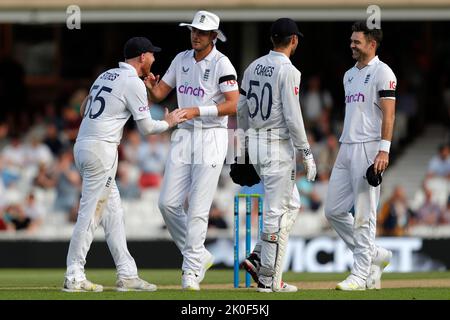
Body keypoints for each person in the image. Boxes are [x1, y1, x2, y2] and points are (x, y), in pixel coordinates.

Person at [63, 37, 186, 292]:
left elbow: (85, 107)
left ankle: (127, 274)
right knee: (91, 212)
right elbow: (148, 128)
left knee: (113, 213)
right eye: (152, 55)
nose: (154, 59)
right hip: (101, 150)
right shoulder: (133, 82)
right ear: (142, 57)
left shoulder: (107, 75)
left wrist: (139, 95)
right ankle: (74, 274)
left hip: (84, 145)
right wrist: (171, 121)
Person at [146, 10, 239, 290]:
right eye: (193, 31)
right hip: (184, 135)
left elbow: (233, 104)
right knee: (167, 203)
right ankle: (199, 255)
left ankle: (190, 271)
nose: (195, 36)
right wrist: (150, 85)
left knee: (198, 207)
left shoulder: (223, 63)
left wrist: (199, 110)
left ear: (213, 36)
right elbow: (161, 93)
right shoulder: (181, 58)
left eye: (201, 32)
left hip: (211, 136)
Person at [237, 18, 316, 293]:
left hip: (257, 141)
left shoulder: (252, 66)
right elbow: (294, 117)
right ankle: (269, 280)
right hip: (277, 145)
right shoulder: (289, 71)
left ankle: (258, 257)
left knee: (291, 204)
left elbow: (241, 108)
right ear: (293, 40)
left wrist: (245, 145)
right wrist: (306, 152)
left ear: (272, 39)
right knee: (275, 212)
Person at [324, 21, 397, 290]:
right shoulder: (349, 74)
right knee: (332, 210)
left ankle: (360, 274)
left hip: (369, 147)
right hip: (346, 146)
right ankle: (375, 255)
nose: (352, 45)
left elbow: (389, 114)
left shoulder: (383, 72)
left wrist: (383, 150)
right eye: (351, 40)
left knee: (364, 214)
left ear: (372, 44)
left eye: (357, 41)